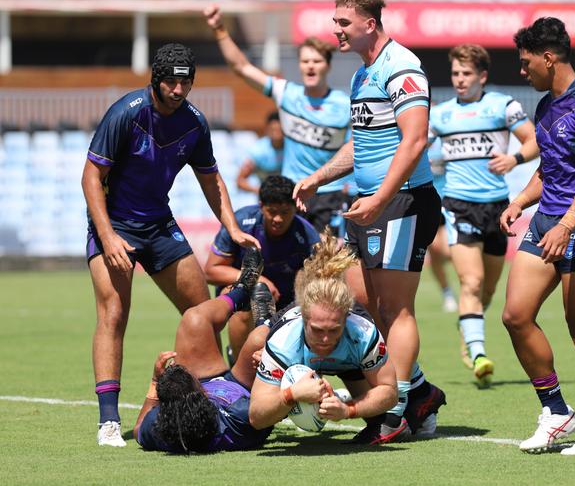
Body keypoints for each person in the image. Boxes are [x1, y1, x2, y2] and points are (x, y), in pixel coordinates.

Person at [82, 42, 259, 447]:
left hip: (159, 224)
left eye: (185, 81)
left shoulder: (194, 123)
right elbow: (91, 177)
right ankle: (109, 422)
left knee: (202, 314)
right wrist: (108, 237)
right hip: (113, 224)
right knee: (113, 313)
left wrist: (231, 227)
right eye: (171, 81)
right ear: (156, 80)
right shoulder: (126, 113)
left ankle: (218, 396)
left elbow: (211, 179)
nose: (179, 89)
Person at [294, 0, 446, 440]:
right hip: (371, 204)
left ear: (369, 22)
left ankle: (394, 413)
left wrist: (380, 198)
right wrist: (320, 177)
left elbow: (415, 140)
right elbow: (362, 144)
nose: (336, 29)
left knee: (396, 310)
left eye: (343, 22)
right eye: (334, 21)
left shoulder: (402, 66)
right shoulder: (362, 72)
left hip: (401, 203)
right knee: (362, 304)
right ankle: (419, 392)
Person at [501, 17, 575, 454]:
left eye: (526, 61)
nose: (522, 69)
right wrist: (520, 201)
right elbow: (549, 169)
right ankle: (555, 410)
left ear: (548, 58)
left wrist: (569, 223)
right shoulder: (546, 105)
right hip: (546, 222)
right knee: (515, 315)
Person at [428, 44, 538, 387]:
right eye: (456, 74)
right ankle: (477, 353)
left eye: (467, 74)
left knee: (489, 288)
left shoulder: (502, 106)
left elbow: (534, 140)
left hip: (497, 208)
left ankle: (468, 327)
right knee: (471, 282)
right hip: (458, 205)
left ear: (482, 76)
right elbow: (415, 147)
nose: (460, 80)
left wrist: (514, 159)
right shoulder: (440, 115)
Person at [204, 5, 355, 234]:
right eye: (305, 61)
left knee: (326, 265)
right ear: (300, 65)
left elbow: (358, 146)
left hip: (329, 193)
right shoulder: (286, 93)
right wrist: (220, 29)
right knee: (293, 262)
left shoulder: (345, 105)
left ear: (328, 65)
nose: (311, 66)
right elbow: (241, 67)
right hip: (293, 192)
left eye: (316, 61)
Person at [249, 232, 404, 444]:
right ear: (303, 318)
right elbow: (256, 417)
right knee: (257, 340)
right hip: (294, 356)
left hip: (350, 363)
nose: (324, 339)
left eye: (333, 330)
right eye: (317, 329)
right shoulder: (283, 341)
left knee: (383, 419)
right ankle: (264, 319)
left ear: (346, 318)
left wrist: (348, 409)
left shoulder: (363, 333)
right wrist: (290, 394)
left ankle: (423, 392)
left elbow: (389, 392)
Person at [134, 249, 274, 453]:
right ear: (199, 393)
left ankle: (242, 292)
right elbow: (271, 410)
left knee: (194, 319)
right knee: (259, 340)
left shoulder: (161, 427)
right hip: (244, 387)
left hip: (209, 388)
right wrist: (274, 375)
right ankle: (267, 318)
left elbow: (139, 429)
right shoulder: (241, 418)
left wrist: (156, 382)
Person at [204, 175, 320, 362]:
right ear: (261, 206)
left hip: (288, 302)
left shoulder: (307, 235)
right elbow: (211, 270)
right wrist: (258, 279)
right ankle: (239, 362)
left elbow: (320, 280)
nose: (278, 218)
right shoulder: (241, 223)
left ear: (295, 208)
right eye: (271, 211)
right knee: (249, 295)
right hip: (246, 295)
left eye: (285, 212)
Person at [426, 136, 458, 314]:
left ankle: (469, 285)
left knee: (445, 250)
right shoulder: (418, 137)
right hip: (427, 200)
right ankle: (447, 293)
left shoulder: (445, 135)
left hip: (448, 199)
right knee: (435, 252)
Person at [236, 111, 284, 195]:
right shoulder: (258, 151)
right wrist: (260, 191)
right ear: (267, 129)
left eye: (279, 130)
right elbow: (240, 181)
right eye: (273, 130)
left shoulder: (293, 149)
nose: (276, 134)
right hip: (267, 199)